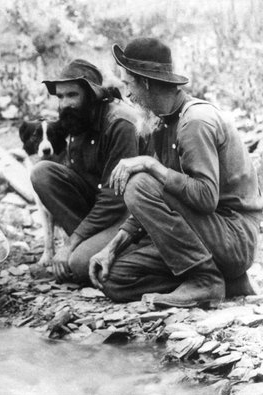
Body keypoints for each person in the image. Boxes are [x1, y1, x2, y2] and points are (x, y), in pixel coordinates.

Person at [89, 37, 263, 308]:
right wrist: (112, 248)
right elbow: (159, 199)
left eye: (129, 83)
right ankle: (225, 281)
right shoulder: (161, 121)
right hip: (205, 237)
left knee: (139, 184)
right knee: (115, 279)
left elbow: (205, 198)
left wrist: (151, 165)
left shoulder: (194, 122)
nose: (127, 93)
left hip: (233, 237)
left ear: (145, 82)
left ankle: (204, 281)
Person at [26, 59, 142, 284]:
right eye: (60, 97)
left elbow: (114, 199)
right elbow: (77, 181)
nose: (64, 104)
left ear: (92, 96)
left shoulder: (120, 123)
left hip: (128, 217)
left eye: (72, 95)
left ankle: (124, 253)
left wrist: (70, 245)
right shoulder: (78, 121)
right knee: (42, 173)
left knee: (79, 265)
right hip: (99, 212)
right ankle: (88, 248)